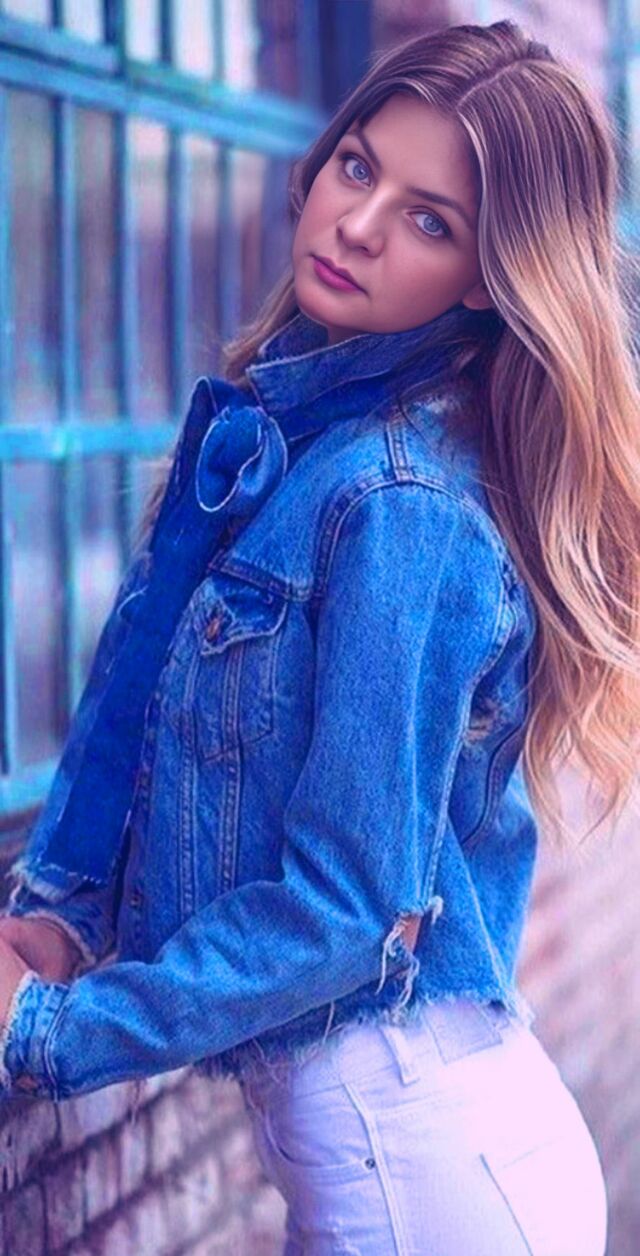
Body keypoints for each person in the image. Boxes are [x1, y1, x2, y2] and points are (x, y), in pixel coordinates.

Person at [0, 16, 638, 1252]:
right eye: (358, 168)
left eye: (429, 220)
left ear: (489, 276)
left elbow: (346, 909)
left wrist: (52, 1031)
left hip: (425, 1175)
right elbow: (175, 731)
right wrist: (64, 915)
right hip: (400, 1156)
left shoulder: (401, 501)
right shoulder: (298, 439)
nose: (357, 225)